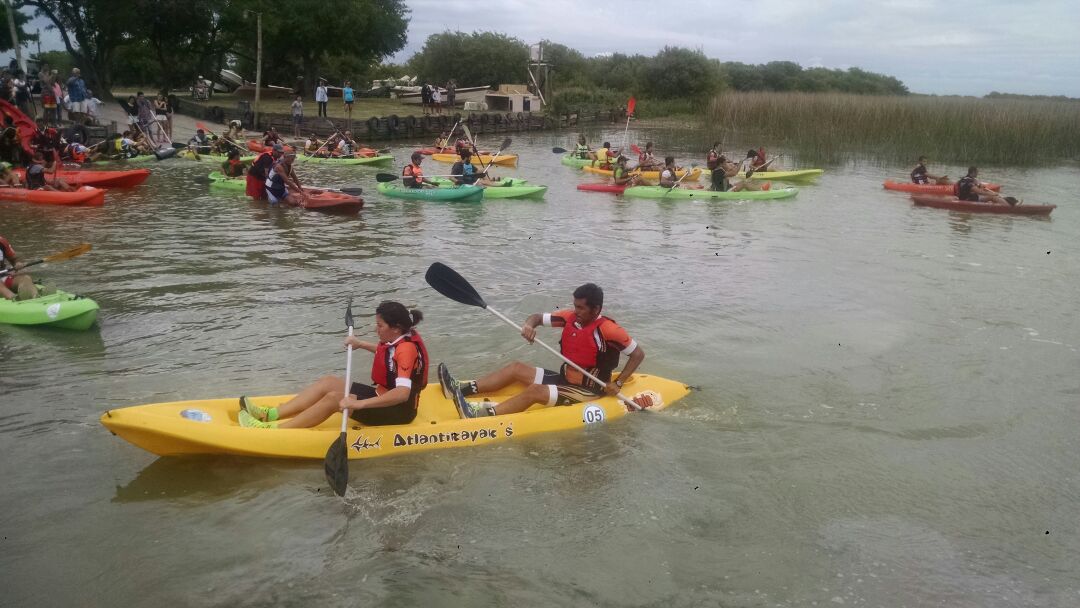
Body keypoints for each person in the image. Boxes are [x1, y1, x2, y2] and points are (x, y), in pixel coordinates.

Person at [440, 283, 645, 418]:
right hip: (564, 379)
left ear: (596, 309)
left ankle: (484, 414)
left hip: (590, 390)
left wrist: (618, 383)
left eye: (581, 308)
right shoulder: (569, 318)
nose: (576, 311)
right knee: (516, 368)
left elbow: (638, 354)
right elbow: (537, 317)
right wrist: (529, 326)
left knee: (535, 391)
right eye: (575, 306)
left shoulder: (609, 330)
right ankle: (459, 389)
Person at [238, 301, 429, 429]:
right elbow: (388, 356)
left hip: (398, 411)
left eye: (380, 325)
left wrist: (358, 404)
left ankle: (275, 429)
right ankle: (270, 415)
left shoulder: (406, 349)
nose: (375, 329)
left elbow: (402, 394)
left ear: (396, 328)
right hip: (382, 395)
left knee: (334, 399)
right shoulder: (400, 338)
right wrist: (361, 344)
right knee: (328, 382)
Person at [0, 235, 39, 301]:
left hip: (3, 276)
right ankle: (14, 299)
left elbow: (14, 259)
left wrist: (17, 263)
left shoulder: (2, 242)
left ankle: (36, 297)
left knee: (25, 278)